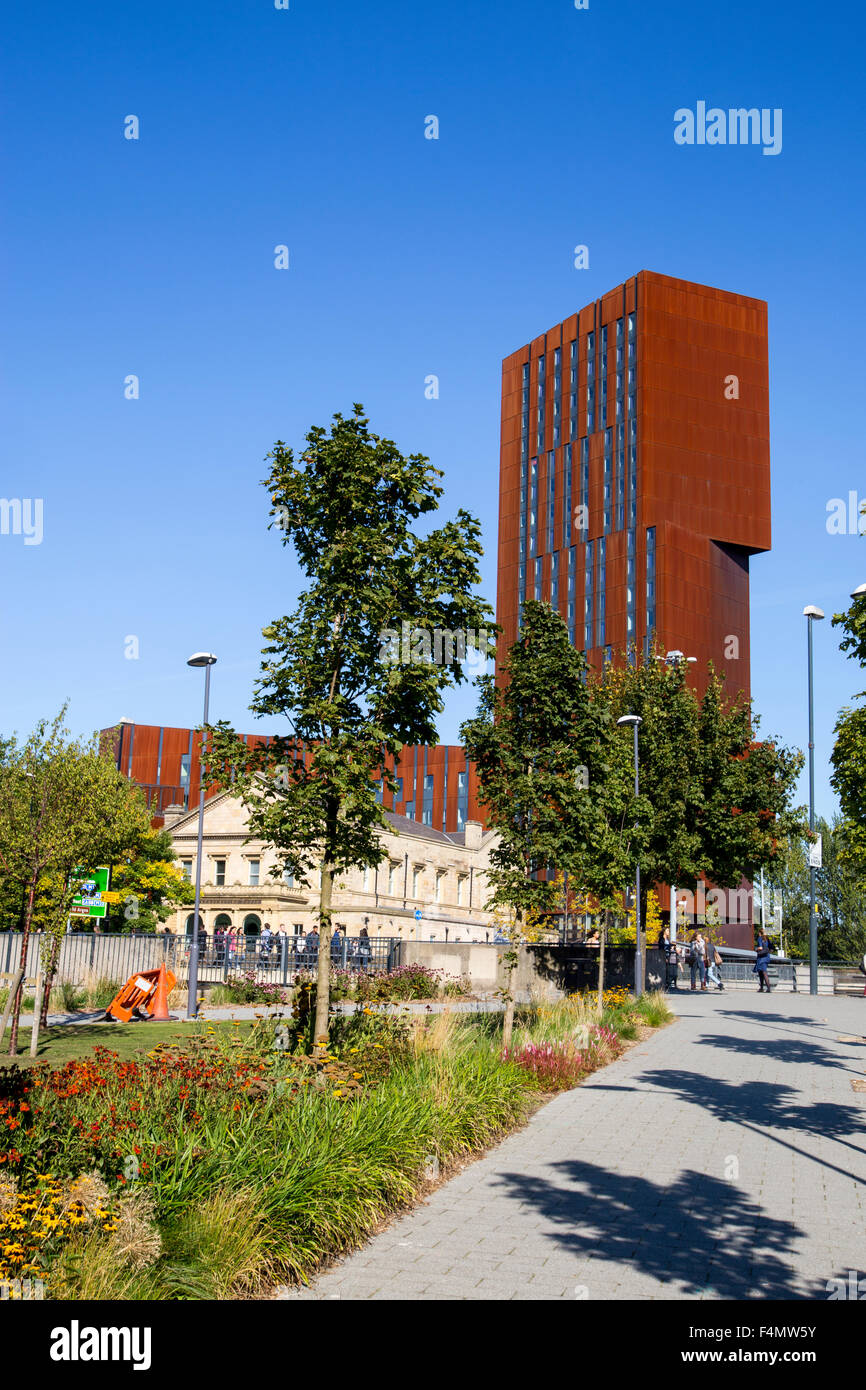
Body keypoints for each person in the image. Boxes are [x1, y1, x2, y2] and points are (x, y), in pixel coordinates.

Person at [659, 926, 679, 991]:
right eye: (667, 931)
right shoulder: (662, 939)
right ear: (664, 932)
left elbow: (669, 946)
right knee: (666, 970)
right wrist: (664, 957)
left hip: (668, 956)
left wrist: (672, 946)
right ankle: (665, 985)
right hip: (664, 956)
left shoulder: (667, 939)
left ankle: (668, 984)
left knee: (669, 970)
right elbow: (661, 948)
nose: (669, 932)